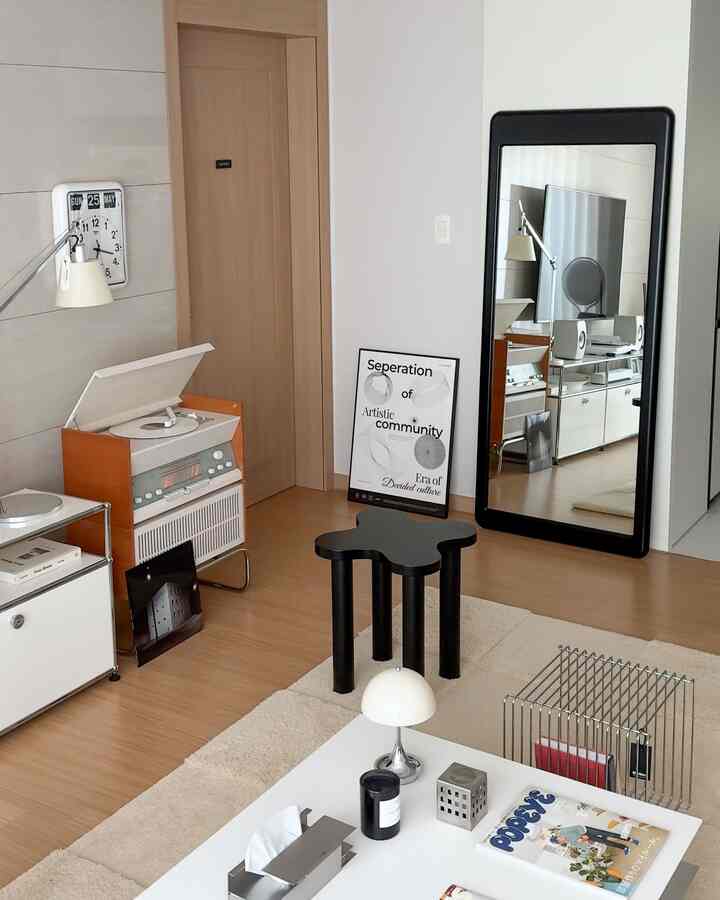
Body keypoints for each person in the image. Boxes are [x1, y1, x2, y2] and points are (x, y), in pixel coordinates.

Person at [548, 824, 640, 855]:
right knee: (606, 842)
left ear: (558, 837)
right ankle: (624, 847)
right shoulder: (569, 842)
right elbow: (581, 845)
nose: (561, 841)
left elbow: (578, 826)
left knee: (610, 834)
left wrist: (582, 835)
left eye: (559, 840)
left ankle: (631, 840)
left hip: (587, 831)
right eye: (560, 843)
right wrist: (588, 846)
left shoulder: (564, 831)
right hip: (588, 838)